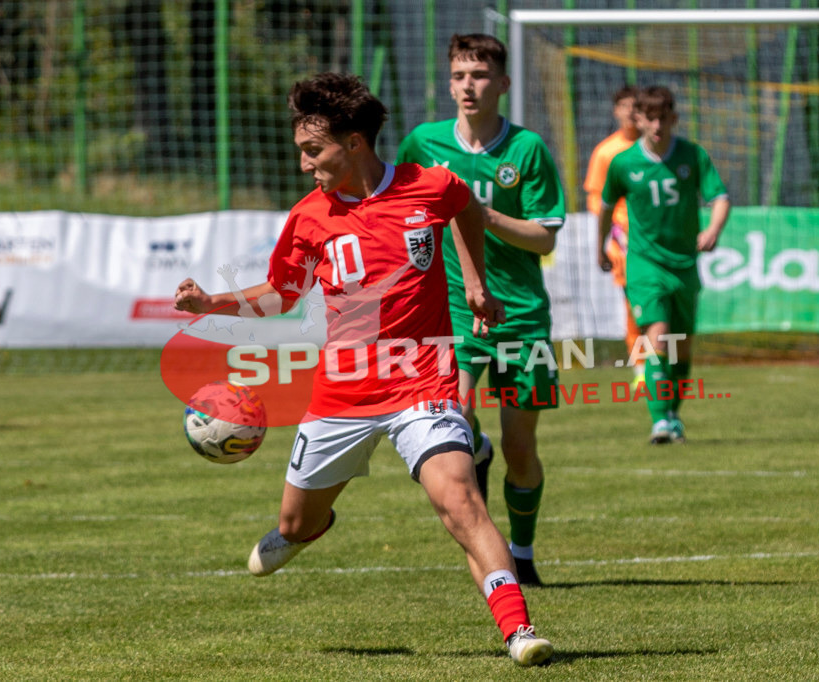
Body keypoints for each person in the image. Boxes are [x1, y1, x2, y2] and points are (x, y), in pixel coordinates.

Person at [173, 72, 553, 667]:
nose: (304, 164)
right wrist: (209, 303)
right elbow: (283, 293)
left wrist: (475, 282)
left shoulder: (430, 185)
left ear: (354, 143)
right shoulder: (308, 217)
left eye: (313, 150)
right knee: (293, 525)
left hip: (423, 380)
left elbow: (465, 210)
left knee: (460, 501)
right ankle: (306, 530)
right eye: (301, 150)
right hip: (342, 394)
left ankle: (519, 631)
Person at [396, 34, 566, 587]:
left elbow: (544, 237)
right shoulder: (423, 143)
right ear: (449, 84)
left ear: (504, 83)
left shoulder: (527, 150)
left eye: (480, 75)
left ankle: (523, 550)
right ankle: (493, 547)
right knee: (456, 418)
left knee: (522, 449)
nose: (468, 86)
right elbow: (397, 209)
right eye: (459, 76)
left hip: (520, 314)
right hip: (452, 313)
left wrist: (480, 215)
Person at [597, 85, 730, 444]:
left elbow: (719, 197)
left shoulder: (692, 155)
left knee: (681, 347)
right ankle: (659, 422)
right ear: (638, 119)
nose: (657, 126)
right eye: (650, 118)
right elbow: (605, 208)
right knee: (657, 337)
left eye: (663, 118)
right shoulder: (623, 162)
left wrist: (713, 229)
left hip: (684, 264)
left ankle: (672, 414)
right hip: (644, 263)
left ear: (674, 118)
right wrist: (600, 248)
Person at [583, 84, 643, 385]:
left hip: (656, 235)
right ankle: (642, 367)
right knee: (634, 302)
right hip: (625, 239)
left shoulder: (656, 147)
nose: (631, 112)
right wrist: (613, 229)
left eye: (637, 106)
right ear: (616, 111)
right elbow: (596, 198)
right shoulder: (606, 151)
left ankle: (667, 361)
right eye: (625, 106)